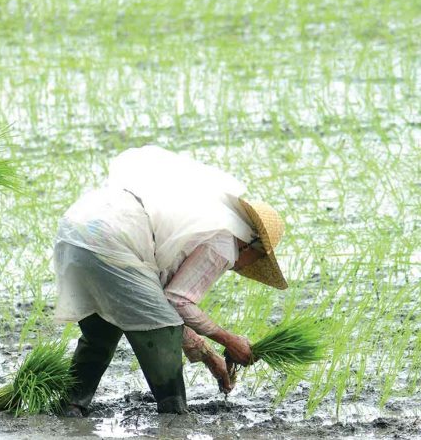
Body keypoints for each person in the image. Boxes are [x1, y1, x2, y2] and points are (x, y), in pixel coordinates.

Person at [53, 145, 288, 415]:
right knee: (160, 331)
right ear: (250, 246)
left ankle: (72, 404)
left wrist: (210, 357)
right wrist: (230, 340)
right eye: (257, 259)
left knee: (102, 328)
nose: (247, 265)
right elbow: (176, 303)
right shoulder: (225, 243)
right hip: (112, 238)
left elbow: (159, 304)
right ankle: (173, 412)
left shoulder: (200, 221)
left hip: (76, 229)